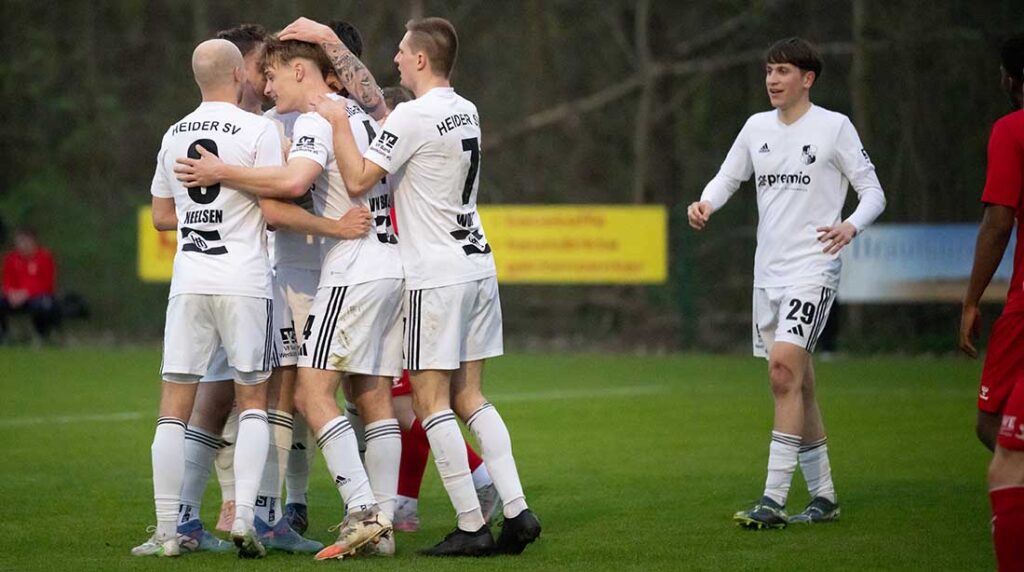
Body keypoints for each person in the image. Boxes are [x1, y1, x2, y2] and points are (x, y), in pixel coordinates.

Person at [311, 16, 541, 556]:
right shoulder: (467, 109)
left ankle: (470, 524)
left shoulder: (413, 116)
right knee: (470, 395)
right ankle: (517, 509)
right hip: (478, 262)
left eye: (399, 52)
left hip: (435, 274)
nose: (393, 59)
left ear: (418, 59)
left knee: (429, 399)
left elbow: (359, 181)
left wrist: (338, 123)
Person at [175, 35, 397, 560]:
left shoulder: (318, 119)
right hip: (389, 267)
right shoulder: (360, 113)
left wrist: (220, 171)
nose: (265, 86)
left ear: (301, 71)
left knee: (305, 396)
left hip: (346, 270)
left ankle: (361, 513)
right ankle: (379, 526)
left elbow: (295, 181)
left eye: (272, 76)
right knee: (370, 400)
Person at [688, 37, 885, 529]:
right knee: (799, 383)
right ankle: (824, 496)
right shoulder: (757, 127)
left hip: (812, 269)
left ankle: (772, 501)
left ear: (807, 78)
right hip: (768, 274)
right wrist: (706, 202)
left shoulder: (834, 127)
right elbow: (728, 177)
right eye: (768, 72)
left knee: (782, 372)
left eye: (782, 71)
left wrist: (851, 225)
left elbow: (873, 192)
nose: (773, 80)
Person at [132, 38, 293, 559]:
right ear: (238, 76)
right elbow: (276, 201)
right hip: (244, 280)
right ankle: (244, 519)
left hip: (190, 281)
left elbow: (160, 216)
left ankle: (165, 532)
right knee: (251, 403)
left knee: (172, 411)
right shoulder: (258, 129)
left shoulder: (172, 134)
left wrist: (202, 223)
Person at [958, 33, 1024, 571]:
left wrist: (971, 299)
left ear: (1012, 77)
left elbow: (998, 220)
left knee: (996, 432)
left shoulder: (1012, 129)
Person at [0, 227, 59, 343]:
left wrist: (26, 293)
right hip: (15, 297)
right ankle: (4, 334)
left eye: (25, 241)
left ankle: (41, 335)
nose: (21, 245)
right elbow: (6, 281)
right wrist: (11, 293)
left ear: (33, 242)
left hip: (37, 296)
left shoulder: (45, 257)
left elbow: (47, 284)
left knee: (42, 305)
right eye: (19, 242)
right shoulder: (11, 258)